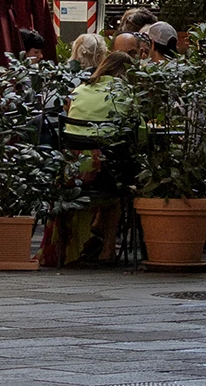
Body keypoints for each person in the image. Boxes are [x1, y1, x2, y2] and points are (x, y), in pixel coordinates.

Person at [40, 51, 136, 267]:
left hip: (70, 171)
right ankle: (108, 249)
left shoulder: (79, 90)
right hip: (102, 172)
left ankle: (87, 237)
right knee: (120, 188)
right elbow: (137, 134)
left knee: (108, 171)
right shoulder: (124, 92)